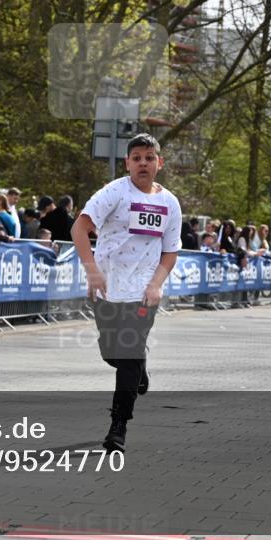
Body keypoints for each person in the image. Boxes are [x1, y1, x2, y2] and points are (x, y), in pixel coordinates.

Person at [71, 134, 182, 454]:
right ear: (127, 163)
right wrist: (92, 270)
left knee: (128, 357)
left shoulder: (169, 203)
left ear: (159, 163)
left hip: (142, 293)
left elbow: (170, 252)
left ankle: (118, 426)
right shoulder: (114, 192)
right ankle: (139, 365)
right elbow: (79, 228)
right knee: (112, 354)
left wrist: (156, 284)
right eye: (137, 158)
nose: (143, 163)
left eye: (149, 157)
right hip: (106, 287)